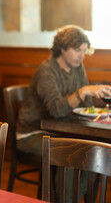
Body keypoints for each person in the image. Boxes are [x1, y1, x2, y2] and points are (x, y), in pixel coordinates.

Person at [17, 25, 111, 202]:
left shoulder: (78, 67)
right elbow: (55, 110)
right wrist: (82, 91)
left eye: (84, 51)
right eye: (77, 50)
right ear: (62, 48)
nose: (81, 56)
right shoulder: (47, 70)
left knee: (95, 152)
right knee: (70, 154)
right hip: (32, 134)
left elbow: (87, 104)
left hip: (59, 132)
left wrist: (91, 98)